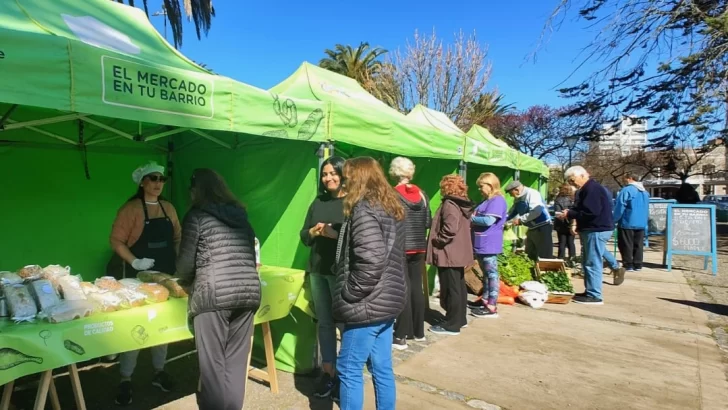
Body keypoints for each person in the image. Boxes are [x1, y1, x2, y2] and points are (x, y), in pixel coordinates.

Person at [176, 169, 261, 410]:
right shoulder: (240, 215)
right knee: (235, 364)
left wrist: (183, 279)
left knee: (212, 369)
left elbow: (184, 265)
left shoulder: (196, 216)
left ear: (196, 191)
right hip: (247, 293)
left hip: (213, 296)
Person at [332, 157, 406, 410]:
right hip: (386, 301)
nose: (345, 180)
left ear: (359, 178)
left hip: (368, 303)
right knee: (382, 367)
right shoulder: (390, 205)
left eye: (348, 176)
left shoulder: (364, 209)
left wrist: (350, 292)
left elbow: (371, 260)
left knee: (349, 368)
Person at [108, 161, 180, 405]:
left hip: (166, 277)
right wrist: (135, 261)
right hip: (136, 280)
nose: (158, 183)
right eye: (153, 178)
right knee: (135, 328)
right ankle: (125, 379)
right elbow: (116, 241)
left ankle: (159, 372)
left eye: (162, 179)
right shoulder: (131, 209)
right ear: (142, 182)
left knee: (163, 326)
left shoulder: (169, 208)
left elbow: (178, 239)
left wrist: (181, 268)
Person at [299, 156, 346, 399]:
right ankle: (329, 373)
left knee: (345, 326)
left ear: (343, 173)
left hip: (341, 274)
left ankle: (346, 376)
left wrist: (333, 234)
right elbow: (303, 236)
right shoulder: (318, 201)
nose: (328, 177)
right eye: (325, 174)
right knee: (325, 323)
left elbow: (357, 239)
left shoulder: (352, 203)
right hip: (318, 270)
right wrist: (313, 231)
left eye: (332, 173)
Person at [557, 166, 625, 305]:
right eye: (569, 181)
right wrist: (571, 212)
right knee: (588, 261)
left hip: (596, 229)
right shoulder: (588, 189)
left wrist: (570, 214)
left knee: (593, 262)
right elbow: (585, 209)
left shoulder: (592, 189)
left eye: (572, 179)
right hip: (594, 229)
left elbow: (590, 212)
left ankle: (595, 295)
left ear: (582, 175)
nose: (571, 183)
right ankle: (590, 291)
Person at [389, 157, 431, 350]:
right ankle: (418, 331)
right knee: (416, 287)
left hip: (401, 245)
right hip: (419, 245)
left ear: (394, 172)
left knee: (402, 288)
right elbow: (428, 222)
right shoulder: (422, 194)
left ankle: (401, 335)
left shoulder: (392, 194)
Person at [426, 174, 474, 335]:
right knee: (458, 287)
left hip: (449, 253)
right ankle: (460, 319)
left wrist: (438, 241)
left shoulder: (450, 204)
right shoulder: (461, 203)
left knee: (451, 288)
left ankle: (452, 324)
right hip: (458, 252)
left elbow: (450, 227)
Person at [469, 173, 508, 319]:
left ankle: (492, 306)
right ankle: (484, 300)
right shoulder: (486, 200)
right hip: (481, 242)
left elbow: (488, 221)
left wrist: (470, 218)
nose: (479, 189)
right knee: (485, 274)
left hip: (489, 244)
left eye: (481, 186)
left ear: (490, 185)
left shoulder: (497, 201)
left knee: (492, 274)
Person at [504, 180, 553, 261]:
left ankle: (544, 272)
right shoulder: (518, 198)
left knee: (544, 255)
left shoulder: (532, 193)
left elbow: (536, 211)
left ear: (517, 190)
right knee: (530, 253)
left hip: (543, 227)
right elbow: (512, 212)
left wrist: (520, 220)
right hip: (531, 228)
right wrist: (503, 219)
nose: (511, 196)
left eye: (510, 193)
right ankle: (533, 271)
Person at [613, 172, 649, 276]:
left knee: (626, 244)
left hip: (628, 221)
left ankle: (628, 264)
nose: (624, 180)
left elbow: (620, 206)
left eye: (625, 178)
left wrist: (614, 219)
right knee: (638, 244)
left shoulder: (627, 190)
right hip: (641, 222)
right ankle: (638, 264)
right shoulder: (645, 192)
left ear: (629, 178)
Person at [553, 184, 577, 260]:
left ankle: (561, 258)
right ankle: (572, 259)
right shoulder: (573, 200)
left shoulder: (558, 199)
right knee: (571, 242)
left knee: (562, 242)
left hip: (560, 224)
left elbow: (557, 213)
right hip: (571, 223)